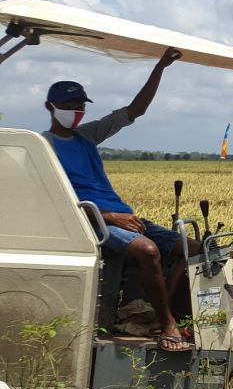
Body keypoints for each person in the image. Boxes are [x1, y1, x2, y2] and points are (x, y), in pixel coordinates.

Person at [42, 52, 193, 352]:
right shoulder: (44, 146)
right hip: (92, 222)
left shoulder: (86, 137)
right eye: (69, 107)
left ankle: (155, 315)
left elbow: (135, 110)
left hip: (123, 216)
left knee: (193, 250)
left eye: (80, 107)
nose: (75, 112)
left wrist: (160, 67)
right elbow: (58, 200)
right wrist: (110, 218)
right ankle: (167, 325)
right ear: (51, 107)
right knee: (147, 249)